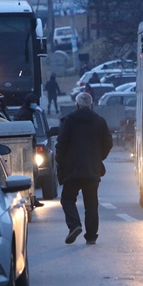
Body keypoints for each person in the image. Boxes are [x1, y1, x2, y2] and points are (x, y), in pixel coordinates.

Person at [55, 92, 113, 245]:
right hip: (92, 169)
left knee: (67, 199)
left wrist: (59, 160)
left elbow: (61, 143)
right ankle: (92, 236)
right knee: (91, 203)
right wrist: (98, 158)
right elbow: (108, 143)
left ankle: (74, 225)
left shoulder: (68, 121)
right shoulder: (100, 122)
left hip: (71, 169)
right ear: (91, 105)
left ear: (77, 105)